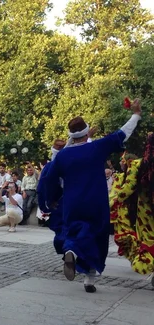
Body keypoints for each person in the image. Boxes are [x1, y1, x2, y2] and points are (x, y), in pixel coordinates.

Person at [39, 99, 142, 293]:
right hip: (95, 201)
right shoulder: (97, 147)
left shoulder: (63, 156)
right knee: (97, 236)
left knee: (73, 232)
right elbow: (122, 133)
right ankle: (89, 279)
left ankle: (71, 251)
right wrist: (136, 114)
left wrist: (51, 198)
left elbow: (49, 176)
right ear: (87, 132)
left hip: (72, 202)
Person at [110, 133, 154, 283]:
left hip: (146, 212)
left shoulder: (138, 165)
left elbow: (128, 188)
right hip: (145, 211)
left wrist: (113, 202)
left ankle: (148, 265)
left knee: (149, 239)